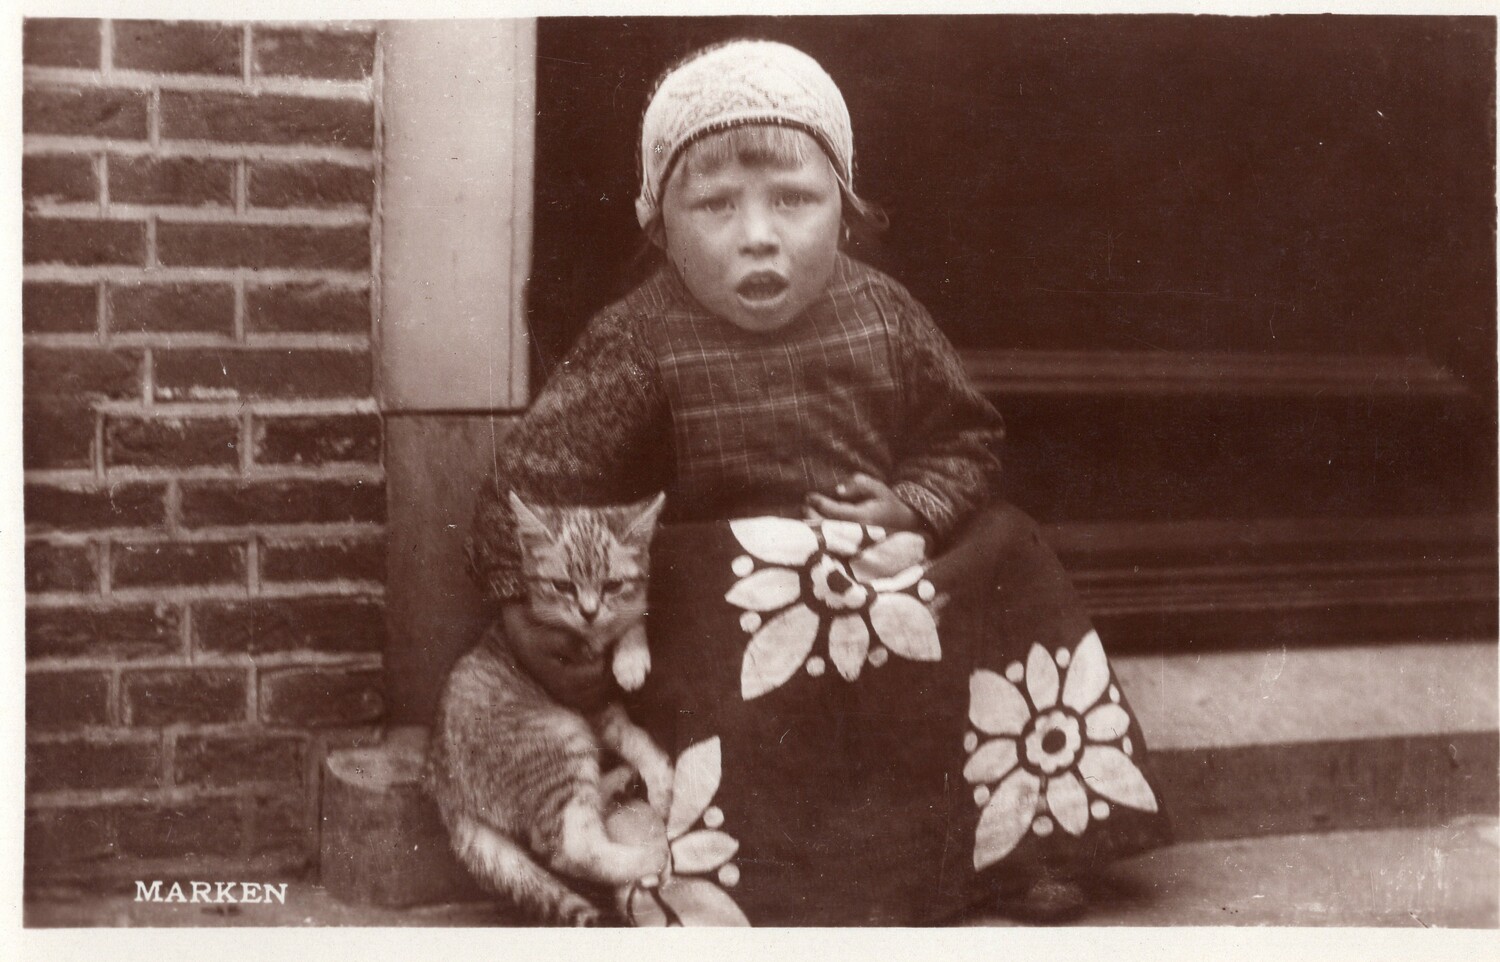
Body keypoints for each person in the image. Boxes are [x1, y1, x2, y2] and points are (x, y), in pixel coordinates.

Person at [467, 39, 1168, 925]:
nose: (758, 235)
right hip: (733, 608)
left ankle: (1026, 840)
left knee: (1011, 546)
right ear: (659, 226)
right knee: (734, 599)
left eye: (794, 199)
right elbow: (527, 482)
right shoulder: (639, 341)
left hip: (882, 574)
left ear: (845, 211)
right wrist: (519, 602)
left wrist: (914, 505)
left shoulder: (883, 313)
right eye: (714, 205)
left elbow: (967, 437)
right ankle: (777, 874)